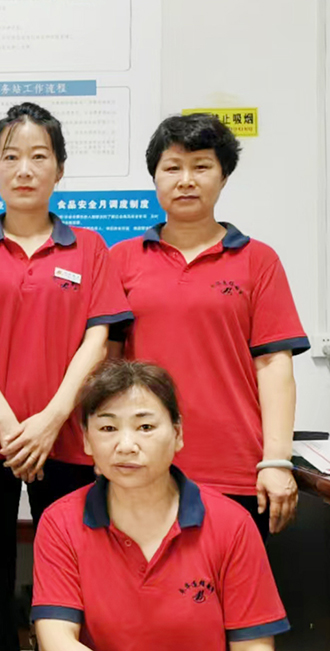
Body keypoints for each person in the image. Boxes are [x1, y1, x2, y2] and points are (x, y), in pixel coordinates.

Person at [0, 102, 133, 651]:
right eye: (10, 157)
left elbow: (99, 340)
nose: (24, 169)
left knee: (70, 573)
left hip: (68, 440)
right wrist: (8, 426)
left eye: (39, 156)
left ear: (59, 169)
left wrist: (49, 421)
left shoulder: (89, 247)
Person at [109, 114, 309, 538]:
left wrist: (276, 461)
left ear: (223, 176)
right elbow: (106, 364)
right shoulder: (121, 259)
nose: (186, 180)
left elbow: (274, 365)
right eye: (172, 167)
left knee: (231, 581)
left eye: (201, 166)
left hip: (234, 466)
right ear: (155, 177)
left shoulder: (258, 260)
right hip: (141, 463)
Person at [32, 359, 289, 651]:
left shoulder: (232, 524)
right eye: (107, 427)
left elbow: (254, 646)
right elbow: (57, 639)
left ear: (178, 434)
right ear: (87, 440)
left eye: (145, 427)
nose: (126, 446)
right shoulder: (60, 522)